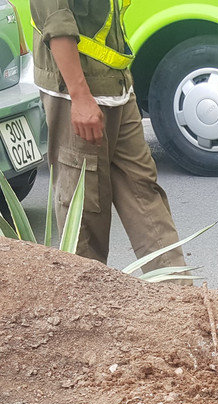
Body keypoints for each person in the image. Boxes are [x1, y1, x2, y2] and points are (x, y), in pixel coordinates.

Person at [29, 0, 187, 273]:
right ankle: (88, 305)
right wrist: (79, 97)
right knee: (85, 209)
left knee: (143, 190)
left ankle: (178, 297)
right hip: (75, 94)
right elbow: (57, 21)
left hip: (116, 86)